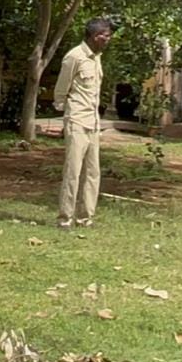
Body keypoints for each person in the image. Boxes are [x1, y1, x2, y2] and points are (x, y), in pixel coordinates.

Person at [52, 18, 112, 228]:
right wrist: (63, 109)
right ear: (95, 36)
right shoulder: (74, 57)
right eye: (105, 35)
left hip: (93, 122)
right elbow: (62, 87)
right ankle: (65, 219)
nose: (108, 39)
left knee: (93, 172)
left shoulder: (96, 58)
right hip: (77, 120)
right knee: (72, 171)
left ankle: (86, 217)